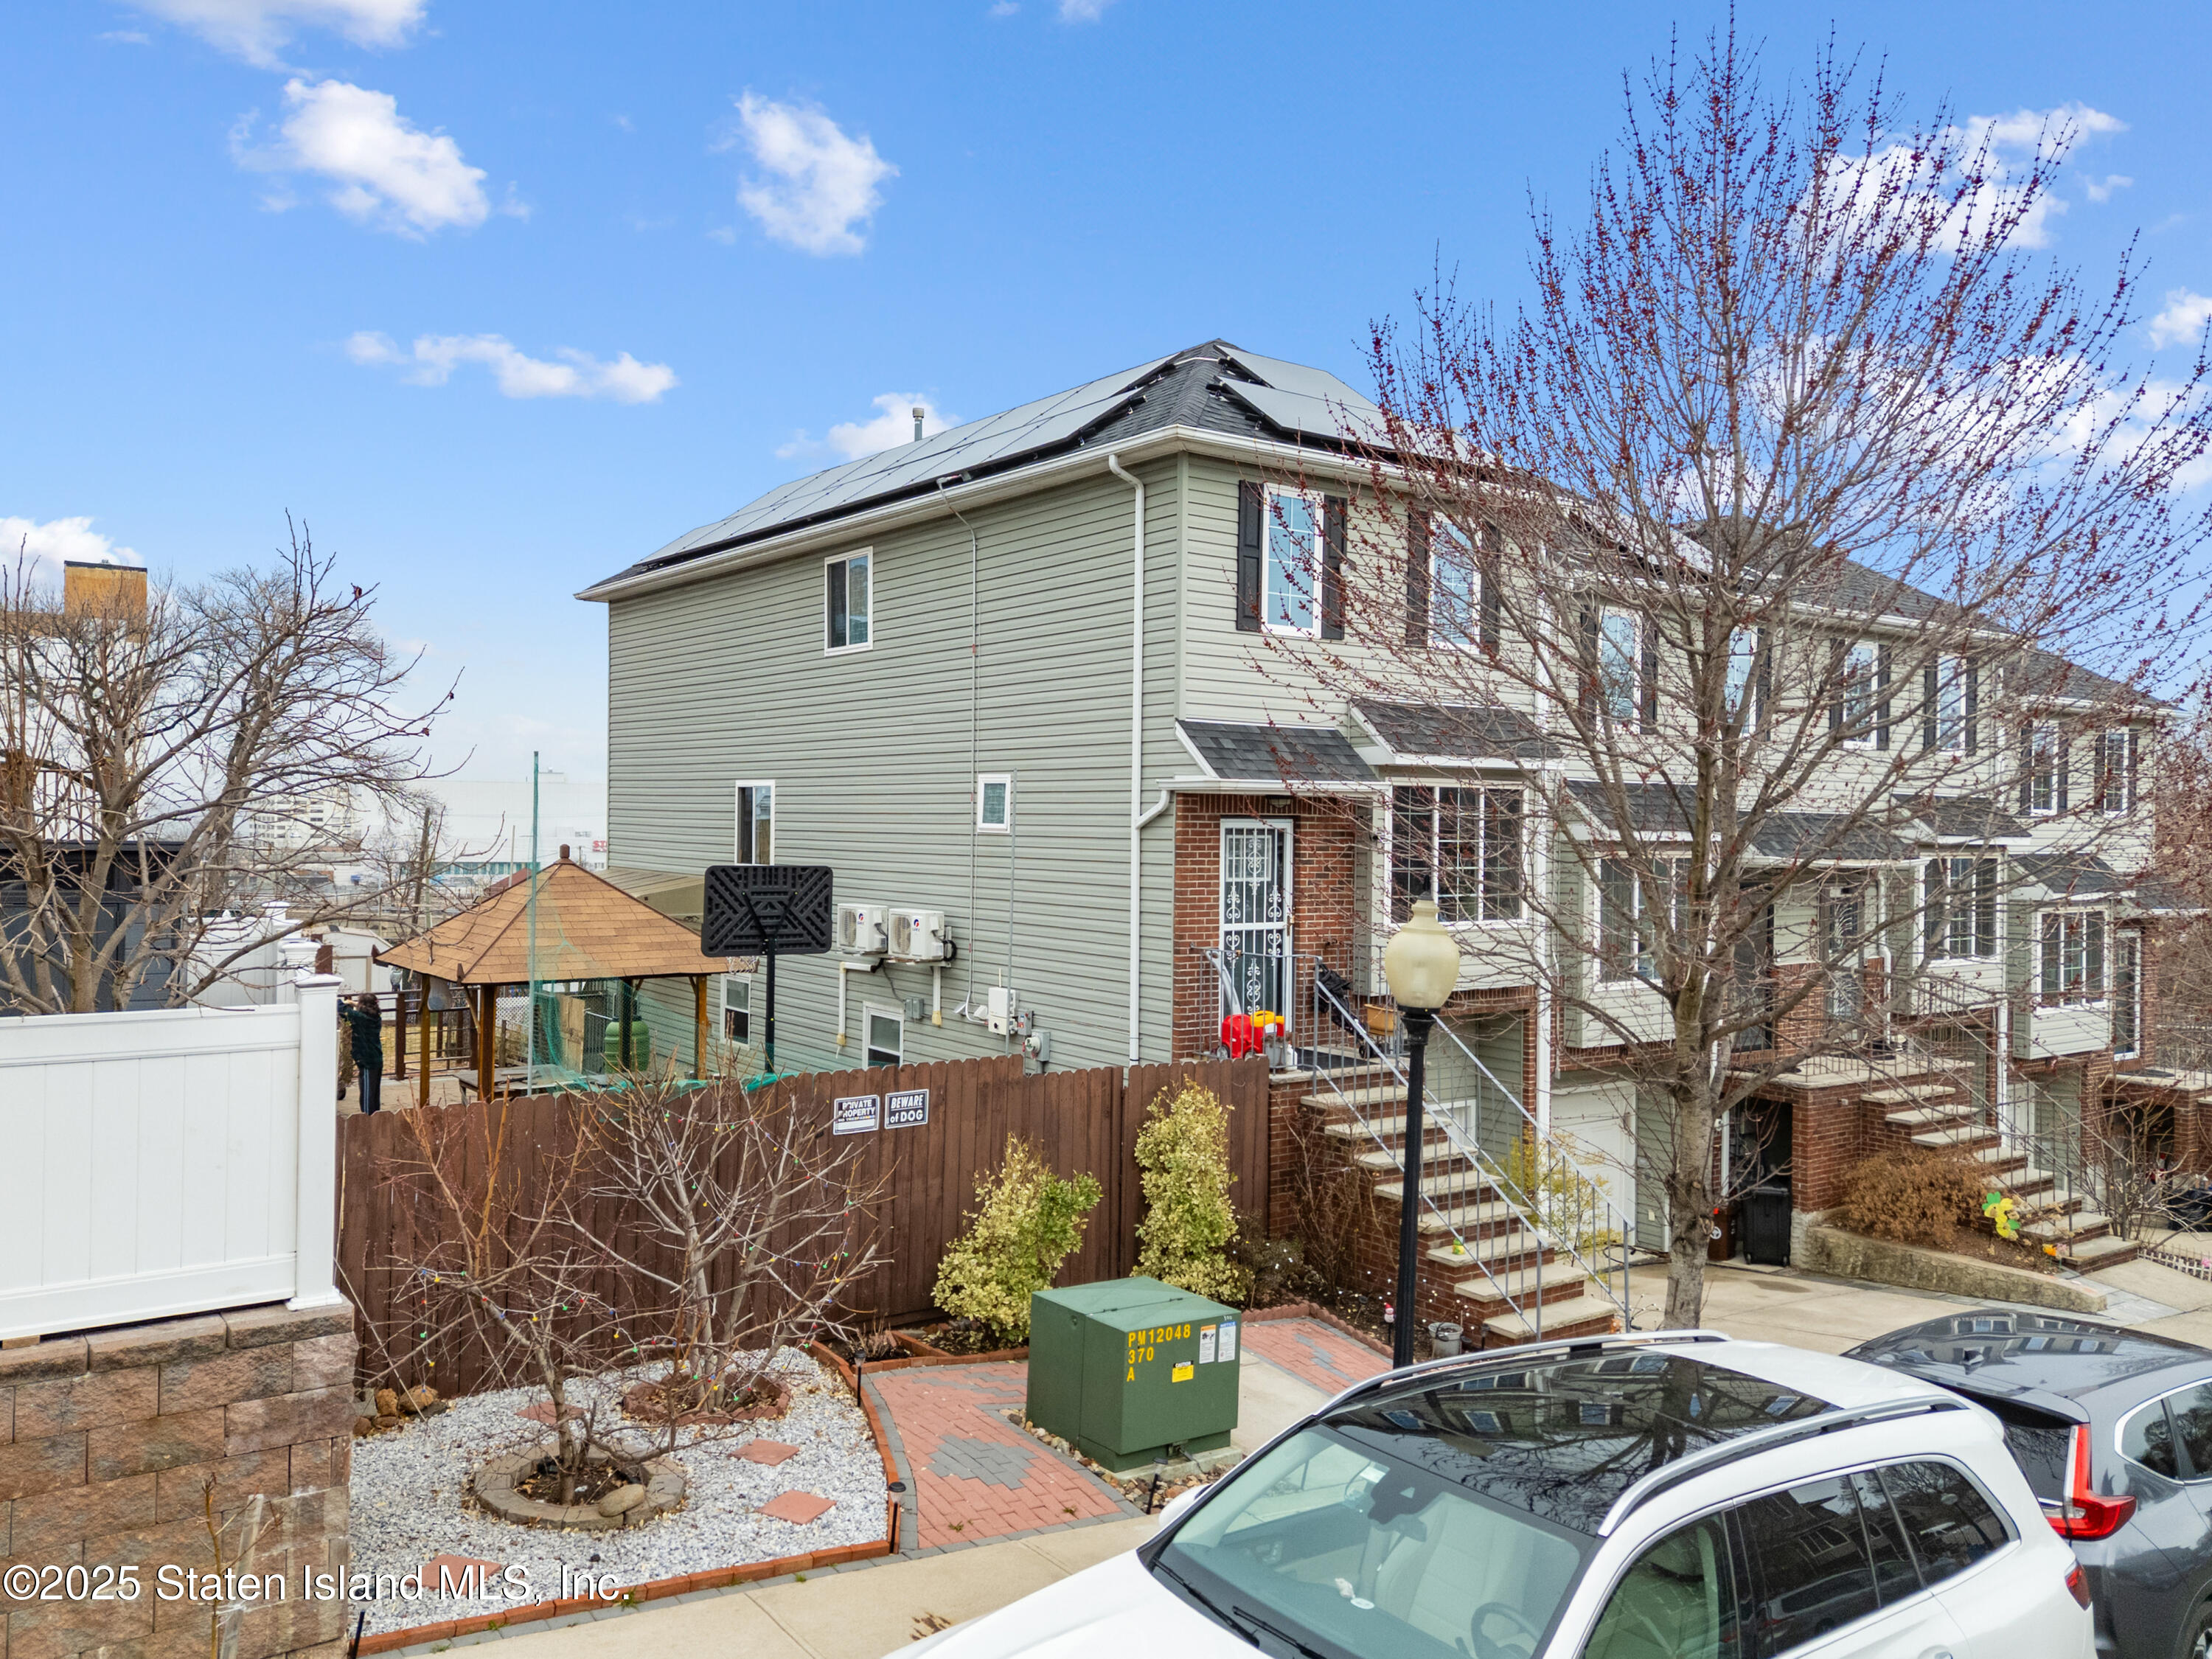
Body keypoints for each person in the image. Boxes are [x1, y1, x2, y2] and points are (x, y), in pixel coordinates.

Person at [341, 992, 385, 1113]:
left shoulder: (361, 1019)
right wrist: (353, 1003)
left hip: (367, 1062)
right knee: (375, 1094)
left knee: (367, 1096)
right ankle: (376, 1117)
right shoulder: (376, 1016)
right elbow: (363, 1009)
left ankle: (367, 1119)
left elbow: (342, 1010)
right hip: (377, 1059)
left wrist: (340, 1001)